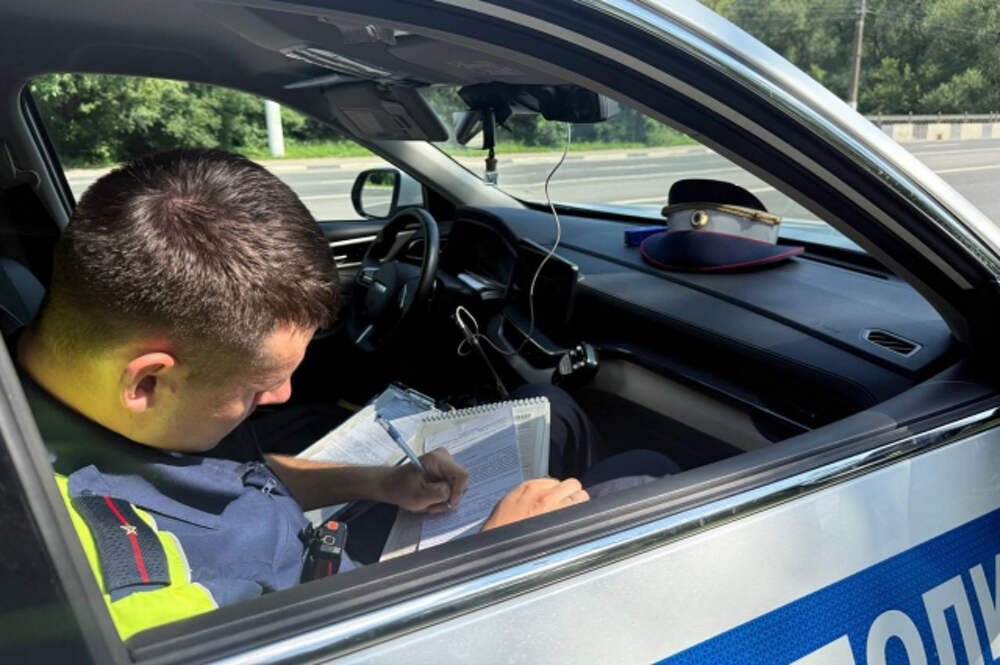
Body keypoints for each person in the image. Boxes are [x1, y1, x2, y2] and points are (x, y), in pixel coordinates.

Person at [16, 149, 675, 640]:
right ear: (148, 382)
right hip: (372, 618)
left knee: (555, 410)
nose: (282, 394)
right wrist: (490, 559)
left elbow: (230, 479)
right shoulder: (133, 588)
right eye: (257, 385)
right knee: (645, 479)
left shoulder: (65, 393)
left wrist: (378, 481)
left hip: (323, 553)